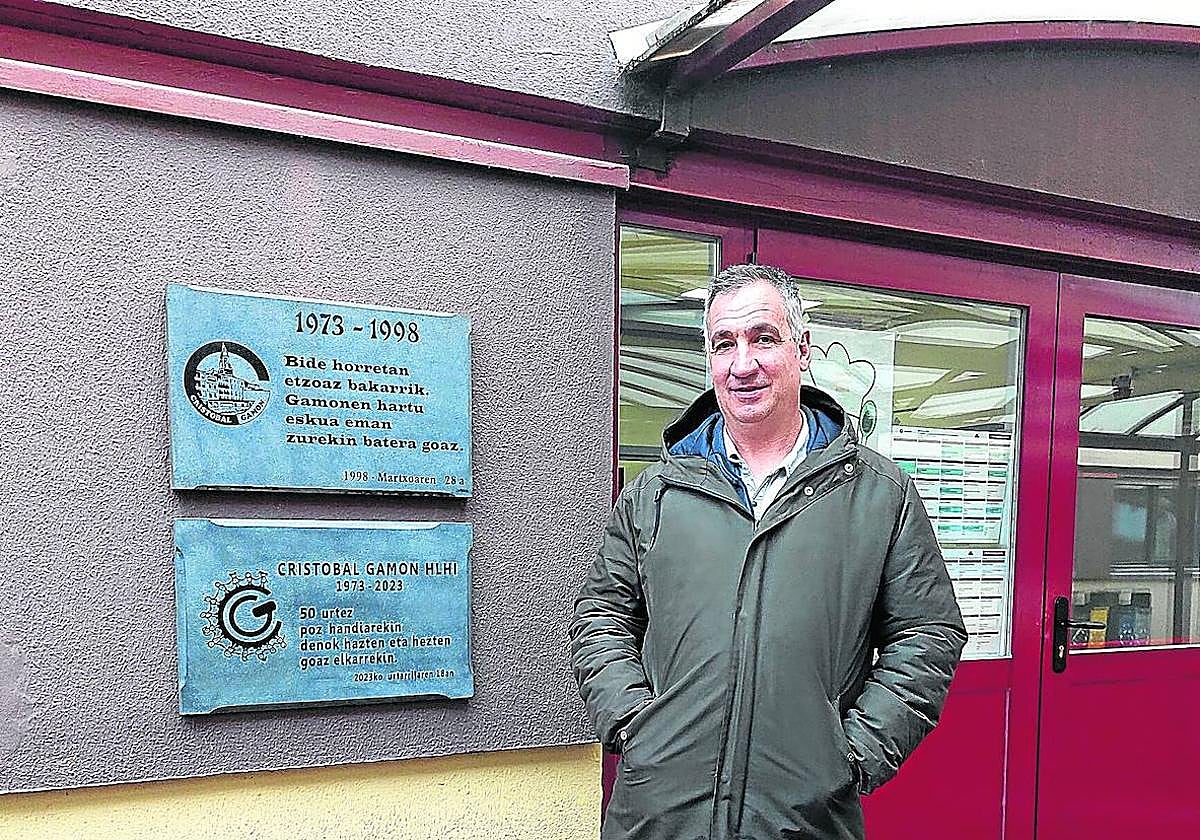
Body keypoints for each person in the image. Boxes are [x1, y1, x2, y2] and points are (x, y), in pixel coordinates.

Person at [570, 264, 967, 840]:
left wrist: (852, 753)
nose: (742, 363)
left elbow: (928, 634)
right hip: (659, 817)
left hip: (802, 821)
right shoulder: (655, 493)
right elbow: (601, 617)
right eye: (723, 344)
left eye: (763, 338)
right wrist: (635, 723)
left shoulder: (879, 494)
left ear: (802, 350)